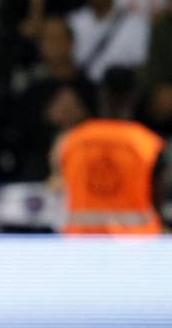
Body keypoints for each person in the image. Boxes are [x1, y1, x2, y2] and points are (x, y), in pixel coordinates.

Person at [51, 67, 166, 235]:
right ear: (134, 96)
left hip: (81, 243)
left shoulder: (69, 141)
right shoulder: (149, 145)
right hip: (137, 245)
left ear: (101, 95)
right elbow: (158, 199)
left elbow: (56, 189)